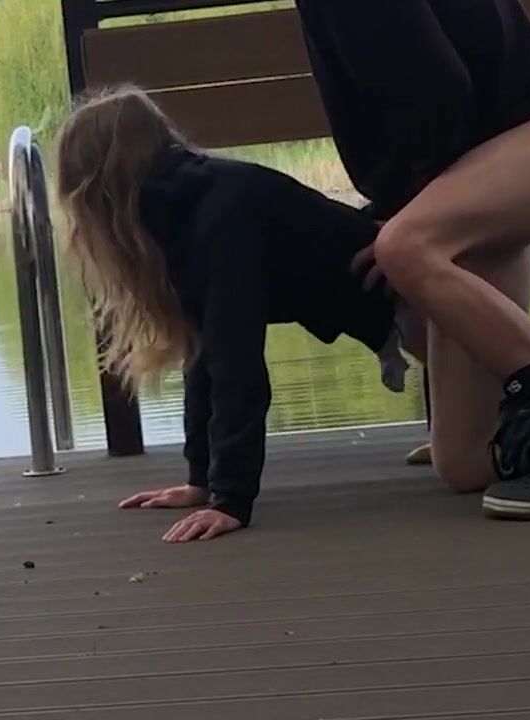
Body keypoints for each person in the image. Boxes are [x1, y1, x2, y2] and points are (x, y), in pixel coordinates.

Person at [293, 0, 530, 513]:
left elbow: (435, 91)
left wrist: (412, 211)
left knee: (405, 246)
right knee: (466, 463)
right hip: (484, 155)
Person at [55, 85, 425, 543]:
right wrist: (201, 481)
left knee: (465, 463)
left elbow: (237, 364)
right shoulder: (185, 208)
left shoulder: (218, 216)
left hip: (414, 300)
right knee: (463, 443)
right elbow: (204, 350)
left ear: (98, 192)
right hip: (393, 311)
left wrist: (230, 499)